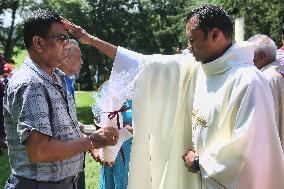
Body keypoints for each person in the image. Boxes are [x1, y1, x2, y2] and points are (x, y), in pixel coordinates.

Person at [62, 4, 284, 189]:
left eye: (193, 40)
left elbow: (252, 148)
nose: (188, 47)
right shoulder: (197, 66)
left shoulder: (248, 81)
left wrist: (201, 162)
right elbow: (143, 64)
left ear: (215, 34)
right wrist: (91, 40)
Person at [3, 9, 118, 189]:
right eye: (62, 39)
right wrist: (92, 141)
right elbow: (40, 151)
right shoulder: (31, 83)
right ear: (38, 43)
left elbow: (65, 131)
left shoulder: (56, 76)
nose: (68, 44)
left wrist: (90, 143)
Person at [248, 34, 284, 152]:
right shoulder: (278, 72)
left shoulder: (264, 79)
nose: (249, 61)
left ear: (261, 57)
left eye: (251, 57)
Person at [57, 39, 85, 189]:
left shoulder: (68, 82)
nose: (82, 62)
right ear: (66, 59)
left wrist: (75, 123)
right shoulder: (56, 82)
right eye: (79, 57)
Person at [92, 100, 133, 189]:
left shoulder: (146, 93)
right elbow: (98, 129)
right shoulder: (108, 93)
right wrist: (95, 149)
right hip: (110, 159)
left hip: (134, 157)